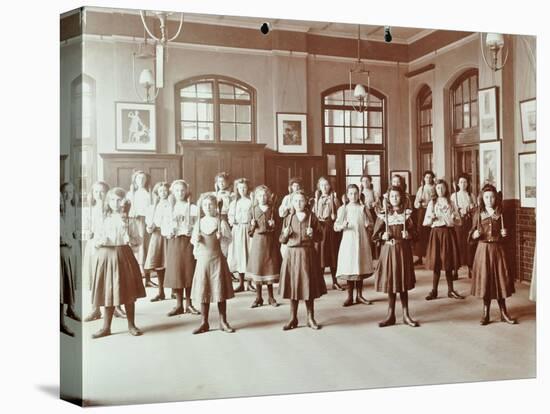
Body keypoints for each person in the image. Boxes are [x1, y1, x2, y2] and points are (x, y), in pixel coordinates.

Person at [90, 187, 146, 338]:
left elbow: (138, 240)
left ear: (124, 202)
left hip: (123, 255)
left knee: (127, 290)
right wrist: (100, 241)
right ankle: (106, 327)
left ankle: (131, 325)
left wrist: (131, 239)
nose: (116, 203)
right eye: (113, 200)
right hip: (106, 256)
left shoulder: (129, 220)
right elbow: (95, 239)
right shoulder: (103, 218)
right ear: (108, 202)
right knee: (108, 290)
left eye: (119, 200)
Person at [469, 184, 517, 325]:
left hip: (498, 251)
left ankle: (503, 312)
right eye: (486, 197)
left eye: (492, 197)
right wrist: (474, 234)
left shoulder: (501, 214)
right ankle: (486, 313)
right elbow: (471, 234)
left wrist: (505, 234)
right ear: (482, 199)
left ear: (496, 198)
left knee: (500, 281)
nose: (489, 200)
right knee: (486, 281)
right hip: (483, 251)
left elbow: (509, 236)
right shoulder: (478, 214)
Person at [279, 190, 326, 330]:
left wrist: (314, 234)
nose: (298, 203)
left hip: (307, 255)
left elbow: (320, 237)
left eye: (301, 201)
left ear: (306, 202)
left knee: (308, 287)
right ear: (292, 203)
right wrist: (285, 234)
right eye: (296, 201)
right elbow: (281, 239)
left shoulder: (312, 217)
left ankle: (310, 318)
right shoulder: (288, 218)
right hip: (292, 255)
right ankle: (293, 318)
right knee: (293, 287)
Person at [373, 186, 419, 327]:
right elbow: (374, 236)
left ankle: (406, 314)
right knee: (392, 282)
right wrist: (382, 235)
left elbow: (417, 235)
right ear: (388, 198)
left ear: (402, 198)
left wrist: (409, 235)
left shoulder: (407, 215)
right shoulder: (383, 215)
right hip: (389, 251)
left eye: (397, 196)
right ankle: (390, 314)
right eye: (392, 196)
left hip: (403, 251)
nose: (394, 199)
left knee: (403, 282)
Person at [190, 193, 235, 334]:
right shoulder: (199, 223)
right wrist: (196, 239)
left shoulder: (220, 223)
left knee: (219, 289)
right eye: (205, 205)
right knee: (204, 290)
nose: (208, 207)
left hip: (217, 259)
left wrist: (221, 238)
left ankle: (223, 321)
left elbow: (229, 240)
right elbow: (193, 243)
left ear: (216, 206)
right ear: (201, 207)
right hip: (203, 261)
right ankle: (204, 322)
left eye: (211, 205)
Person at [163, 180, 200, 316]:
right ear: (173, 192)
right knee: (177, 272)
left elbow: (197, 225)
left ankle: (189, 303)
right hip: (174, 242)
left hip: (188, 242)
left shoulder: (193, 208)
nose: (180, 193)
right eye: (177, 190)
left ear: (187, 191)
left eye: (182, 190)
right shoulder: (169, 208)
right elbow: (164, 225)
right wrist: (169, 231)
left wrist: (193, 231)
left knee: (188, 271)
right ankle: (178, 304)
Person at [423, 179, 464, 301]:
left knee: (448, 263)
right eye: (438, 188)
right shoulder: (432, 203)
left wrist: (454, 218)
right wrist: (432, 217)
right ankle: (434, 291)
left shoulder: (451, 203)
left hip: (448, 234)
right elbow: (425, 222)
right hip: (436, 234)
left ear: (446, 189)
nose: (440, 190)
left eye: (442, 188)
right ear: (435, 189)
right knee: (436, 262)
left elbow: (459, 222)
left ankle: (450, 290)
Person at [334, 184, 374, 307]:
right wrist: (342, 226)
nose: (353, 196)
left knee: (359, 266)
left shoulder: (363, 208)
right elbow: (336, 226)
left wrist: (369, 225)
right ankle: (350, 296)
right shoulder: (343, 209)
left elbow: (371, 223)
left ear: (359, 194)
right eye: (351, 193)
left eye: (355, 193)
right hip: (348, 241)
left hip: (361, 240)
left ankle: (360, 295)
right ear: (347, 195)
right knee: (350, 266)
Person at [247, 185, 280, 307]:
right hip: (257, 242)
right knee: (258, 268)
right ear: (256, 197)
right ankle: (258, 297)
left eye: (265, 195)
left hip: (270, 242)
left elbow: (279, 229)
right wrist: (252, 225)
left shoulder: (272, 210)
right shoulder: (253, 210)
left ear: (268, 197)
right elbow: (250, 233)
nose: (262, 198)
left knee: (269, 268)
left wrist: (274, 224)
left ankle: (271, 297)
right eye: (260, 195)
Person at [313, 177, 343, 291]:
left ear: (330, 186)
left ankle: (335, 282)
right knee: (320, 255)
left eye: (326, 185)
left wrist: (335, 218)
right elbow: (313, 214)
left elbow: (341, 214)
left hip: (330, 229)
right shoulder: (317, 199)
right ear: (319, 187)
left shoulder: (334, 199)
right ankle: (320, 283)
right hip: (320, 229)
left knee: (332, 255)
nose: (324, 187)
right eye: (322, 185)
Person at [127, 170, 155, 287]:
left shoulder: (150, 194)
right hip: (135, 222)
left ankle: (147, 278)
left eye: (143, 179)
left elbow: (152, 209)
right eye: (139, 178)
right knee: (137, 247)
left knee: (146, 248)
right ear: (135, 180)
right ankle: (137, 278)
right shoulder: (130, 194)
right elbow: (127, 210)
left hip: (146, 222)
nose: (141, 181)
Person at [145, 182, 171, 302]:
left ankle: (175, 291)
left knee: (171, 263)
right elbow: (150, 225)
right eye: (160, 191)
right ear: (157, 193)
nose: (163, 193)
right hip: (158, 235)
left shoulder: (172, 204)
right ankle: (161, 291)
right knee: (159, 263)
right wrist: (150, 227)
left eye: (165, 190)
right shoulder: (153, 206)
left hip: (170, 235)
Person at [227, 178, 254, 292]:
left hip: (248, 229)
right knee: (240, 255)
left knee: (249, 253)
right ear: (237, 189)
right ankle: (241, 283)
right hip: (237, 230)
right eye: (240, 188)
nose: (242, 190)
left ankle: (250, 283)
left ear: (247, 189)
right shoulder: (234, 203)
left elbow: (253, 215)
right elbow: (230, 216)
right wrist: (232, 221)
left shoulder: (251, 202)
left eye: (244, 188)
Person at [60, 184, 80, 336]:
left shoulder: (74, 209)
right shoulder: (61, 211)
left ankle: (71, 308)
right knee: (63, 281)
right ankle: (61, 320)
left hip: (72, 247)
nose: (68, 195)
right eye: (64, 192)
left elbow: (74, 228)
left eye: (71, 192)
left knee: (71, 279)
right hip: (63, 248)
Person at [450, 174, 477, 279]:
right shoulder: (454, 196)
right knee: (457, 246)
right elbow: (452, 209)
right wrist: (458, 211)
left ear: (468, 183)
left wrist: (470, 209)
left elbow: (475, 209)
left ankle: (470, 268)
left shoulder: (471, 195)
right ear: (457, 184)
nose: (463, 184)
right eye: (461, 182)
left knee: (469, 245)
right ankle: (455, 270)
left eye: (465, 182)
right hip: (458, 224)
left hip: (468, 223)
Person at [413, 170, 436, 265]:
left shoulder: (435, 188)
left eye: (430, 177)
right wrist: (419, 203)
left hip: (432, 211)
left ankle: (431, 256)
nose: (428, 179)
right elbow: (416, 203)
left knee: (431, 233)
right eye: (426, 177)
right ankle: (419, 256)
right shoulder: (421, 189)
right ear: (424, 178)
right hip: (422, 212)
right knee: (421, 233)